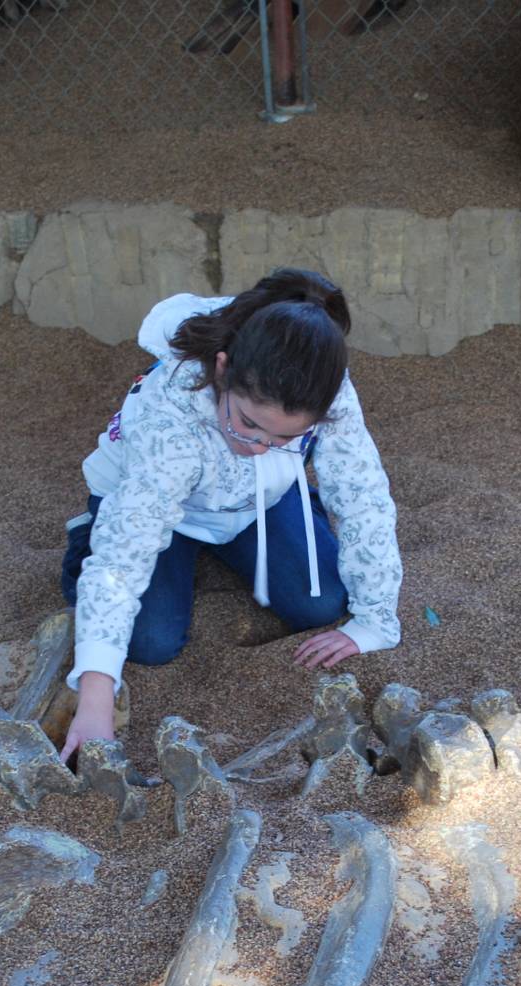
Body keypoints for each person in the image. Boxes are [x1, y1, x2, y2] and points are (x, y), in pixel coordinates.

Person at [58, 268, 404, 761]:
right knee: (150, 642)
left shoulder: (326, 390)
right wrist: (95, 701)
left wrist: (374, 620)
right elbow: (122, 560)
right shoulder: (172, 417)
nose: (260, 446)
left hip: (254, 503)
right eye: (248, 424)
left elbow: (361, 493)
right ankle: (85, 534)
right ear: (222, 370)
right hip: (160, 506)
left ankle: (257, 530)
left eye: (285, 439)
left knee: (323, 605)